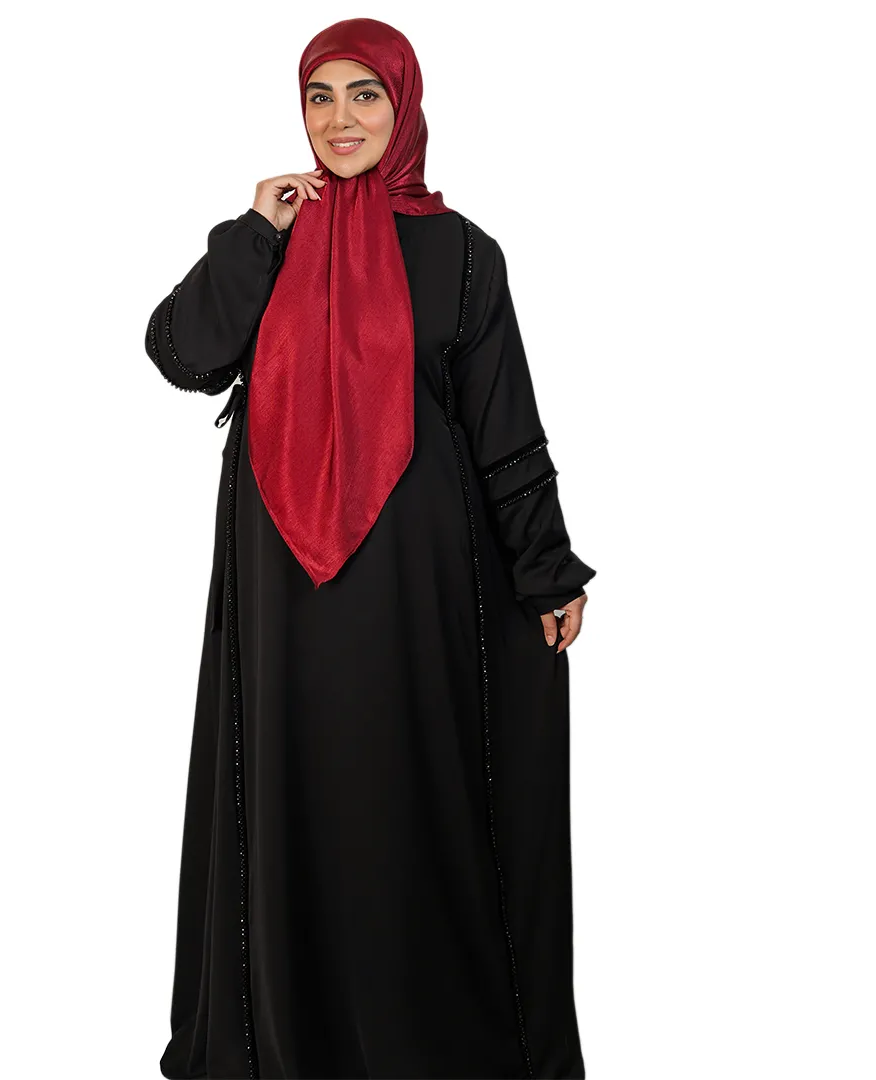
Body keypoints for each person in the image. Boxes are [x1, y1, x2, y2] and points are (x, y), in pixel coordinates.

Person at [144, 17, 596, 1080]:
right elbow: (182, 354)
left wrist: (545, 567)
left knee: (405, 794)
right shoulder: (272, 242)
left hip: (417, 578)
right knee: (293, 794)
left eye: (364, 96)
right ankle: (289, 1038)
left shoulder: (463, 254)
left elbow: (505, 427)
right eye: (320, 96)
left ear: (405, 107)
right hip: (282, 587)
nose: (339, 120)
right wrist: (253, 233)